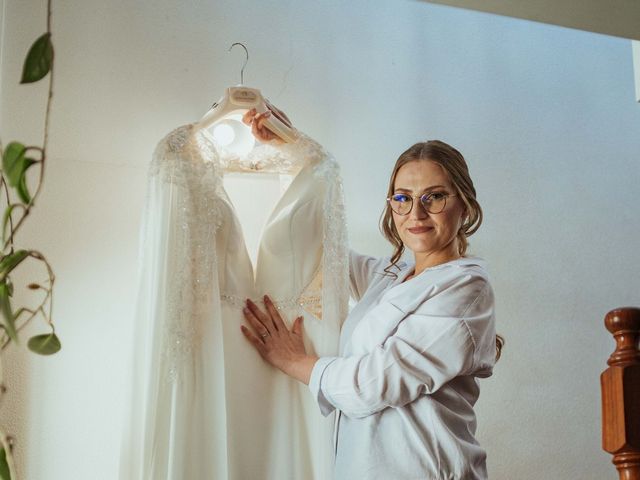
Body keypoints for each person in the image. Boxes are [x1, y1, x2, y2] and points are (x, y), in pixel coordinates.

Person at [240, 106, 501, 480]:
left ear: (465, 205)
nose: (416, 213)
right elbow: (320, 247)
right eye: (403, 198)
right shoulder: (391, 275)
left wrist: (293, 360)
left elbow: (372, 384)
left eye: (434, 197)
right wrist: (293, 147)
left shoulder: (465, 287)